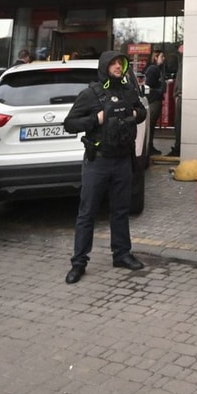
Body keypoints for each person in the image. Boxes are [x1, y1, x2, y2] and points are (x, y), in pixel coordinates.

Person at [62, 50, 147, 283]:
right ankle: (79, 263)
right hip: (97, 161)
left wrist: (134, 113)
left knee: (120, 210)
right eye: (114, 64)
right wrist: (95, 120)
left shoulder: (128, 91)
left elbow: (142, 112)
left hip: (122, 160)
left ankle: (121, 254)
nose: (118, 67)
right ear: (105, 67)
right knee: (87, 213)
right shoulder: (91, 94)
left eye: (121, 63)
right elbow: (69, 124)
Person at [142, 49, 168, 155]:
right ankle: (148, 147)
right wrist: (159, 91)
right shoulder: (153, 69)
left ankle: (150, 146)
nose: (163, 59)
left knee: (152, 126)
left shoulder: (158, 69)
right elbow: (148, 85)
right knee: (150, 125)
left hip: (155, 99)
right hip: (153, 100)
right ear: (156, 57)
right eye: (162, 56)